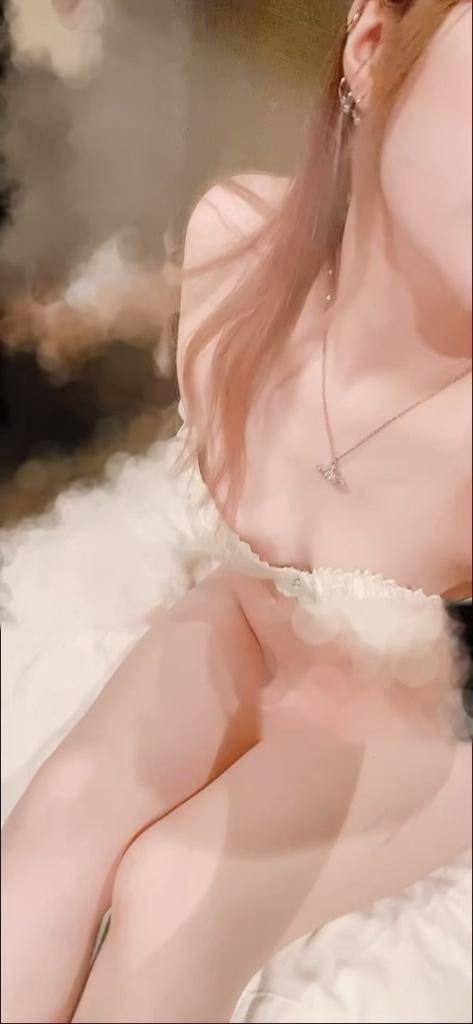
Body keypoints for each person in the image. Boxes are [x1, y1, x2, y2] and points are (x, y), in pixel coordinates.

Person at [2, 1, 472, 1021]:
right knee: (67, 816)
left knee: (181, 886)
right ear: (369, 46)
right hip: (250, 628)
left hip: (429, 728)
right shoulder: (236, 248)